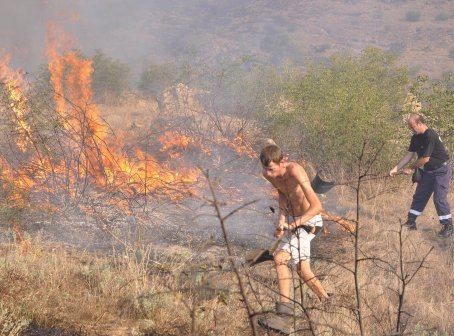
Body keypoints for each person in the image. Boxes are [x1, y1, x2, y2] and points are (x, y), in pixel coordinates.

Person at [260, 143, 330, 316]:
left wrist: (292, 225)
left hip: (309, 221)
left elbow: (317, 206)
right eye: (265, 169)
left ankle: (284, 312)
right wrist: (282, 222)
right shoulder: (268, 174)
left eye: (271, 169)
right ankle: (327, 300)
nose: (268, 174)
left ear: (282, 162)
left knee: (280, 258)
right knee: (303, 271)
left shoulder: (296, 171)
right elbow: (282, 194)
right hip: (292, 221)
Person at [389, 114, 452, 237]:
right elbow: (409, 155)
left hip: (442, 170)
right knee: (420, 195)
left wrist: (410, 168)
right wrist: (395, 169)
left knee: (439, 198)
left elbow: (425, 159)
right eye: (409, 127)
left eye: (412, 127)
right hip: (429, 171)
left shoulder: (430, 135)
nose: (411, 129)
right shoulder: (415, 138)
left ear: (420, 123)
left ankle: (448, 226)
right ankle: (411, 222)